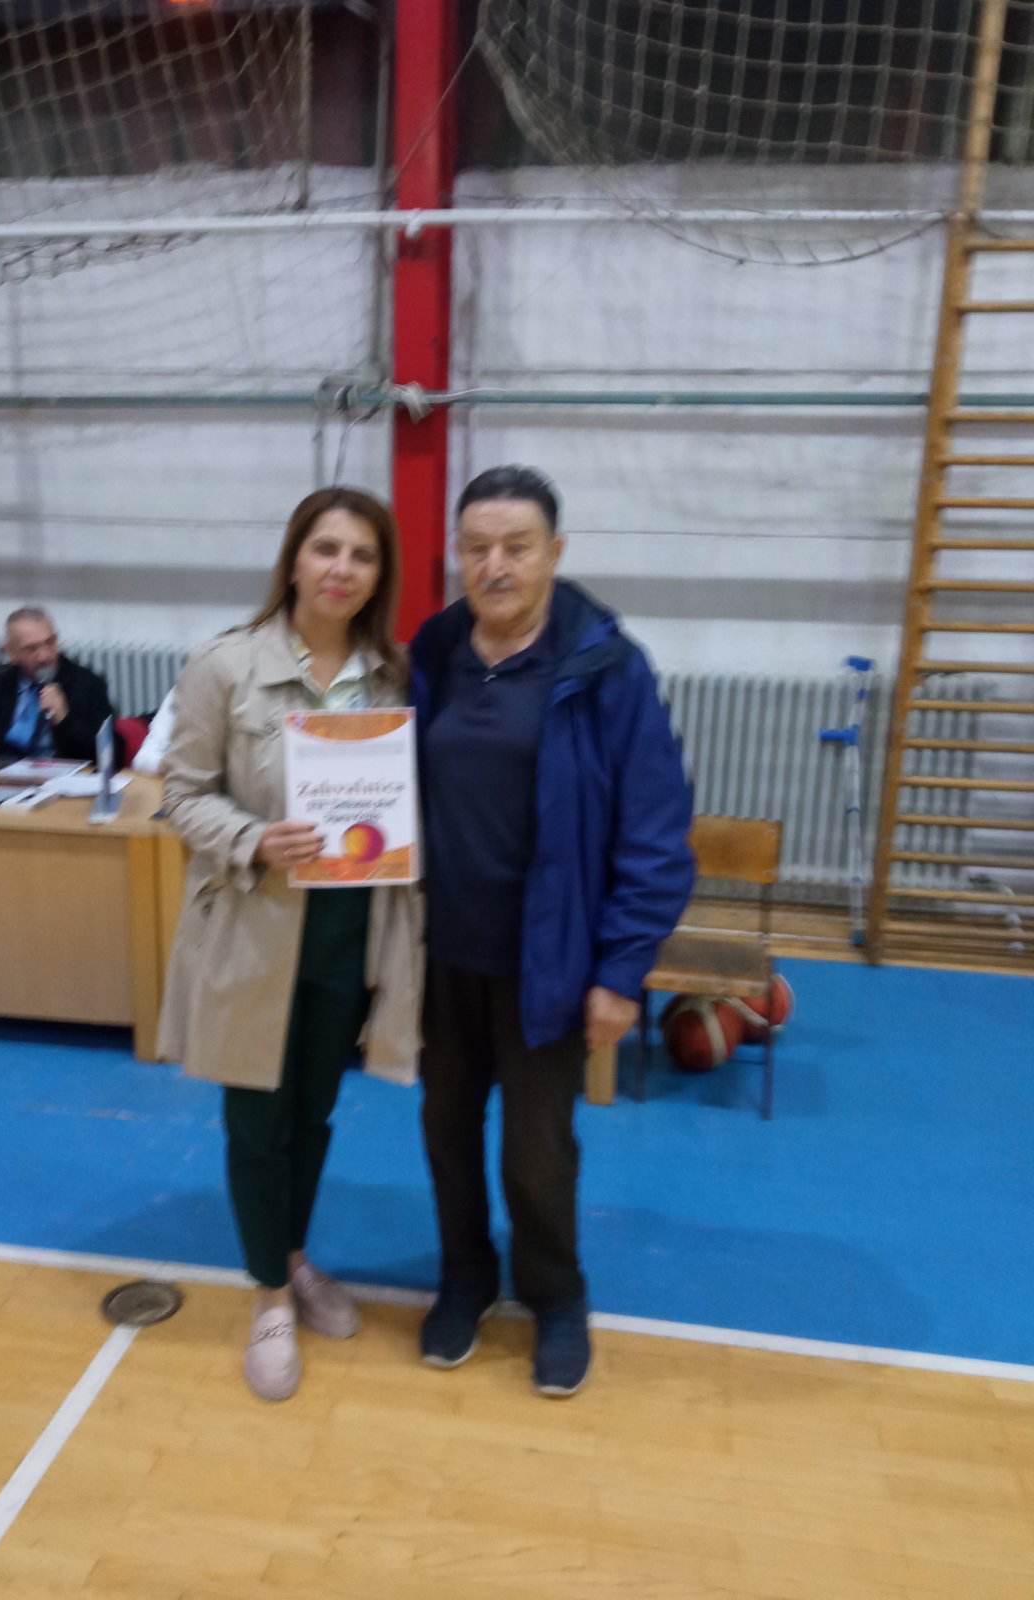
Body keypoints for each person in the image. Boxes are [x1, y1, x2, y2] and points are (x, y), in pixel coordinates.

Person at [409, 465, 695, 1398]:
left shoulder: (608, 667)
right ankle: (465, 1277)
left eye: (516, 547)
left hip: (553, 965)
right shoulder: (432, 650)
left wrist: (621, 971)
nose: (495, 565)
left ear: (554, 553)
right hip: (441, 958)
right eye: (477, 548)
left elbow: (655, 832)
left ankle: (556, 1296)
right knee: (447, 1134)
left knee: (537, 1151)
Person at [157, 487, 421, 1404]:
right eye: (326, 549)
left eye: (363, 555)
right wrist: (253, 838)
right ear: (295, 559)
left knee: (312, 1115)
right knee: (256, 1121)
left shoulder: (393, 678)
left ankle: (295, 1254)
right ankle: (270, 1295)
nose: (342, 569)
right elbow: (181, 795)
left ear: (379, 575)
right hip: (252, 930)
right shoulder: (225, 666)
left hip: (349, 934)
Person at [0, 606, 122, 765]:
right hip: (7, 772)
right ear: (11, 653)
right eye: (31, 649)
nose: (44, 657)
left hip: (62, 774)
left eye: (49, 643)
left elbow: (112, 754)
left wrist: (64, 719)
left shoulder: (87, 684)